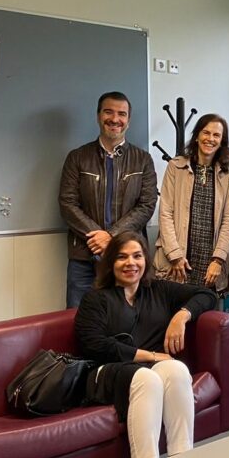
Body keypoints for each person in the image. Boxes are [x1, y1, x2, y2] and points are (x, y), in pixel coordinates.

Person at [74, 231, 216, 458]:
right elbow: (94, 344)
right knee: (147, 379)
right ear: (110, 263)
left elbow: (207, 295)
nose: (130, 263)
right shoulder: (95, 298)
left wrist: (182, 316)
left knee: (177, 370)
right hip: (106, 371)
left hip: (149, 368)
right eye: (122, 257)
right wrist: (150, 355)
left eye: (137, 256)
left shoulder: (158, 290)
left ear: (145, 260)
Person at [59, 91, 157, 309]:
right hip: (84, 256)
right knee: (78, 317)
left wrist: (111, 237)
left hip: (128, 257)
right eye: (108, 112)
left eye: (121, 114)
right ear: (98, 116)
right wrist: (98, 238)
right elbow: (67, 203)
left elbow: (146, 205)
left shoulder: (143, 160)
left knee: (126, 316)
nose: (115, 119)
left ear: (128, 120)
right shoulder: (77, 157)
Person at [154, 114, 229, 291]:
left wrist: (218, 260)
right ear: (197, 136)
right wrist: (175, 255)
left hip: (210, 266)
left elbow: (228, 221)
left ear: (222, 141)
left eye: (216, 135)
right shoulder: (175, 167)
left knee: (206, 307)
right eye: (206, 132)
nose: (210, 139)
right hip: (177, 262)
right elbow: (165, 213)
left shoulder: (227, 176)